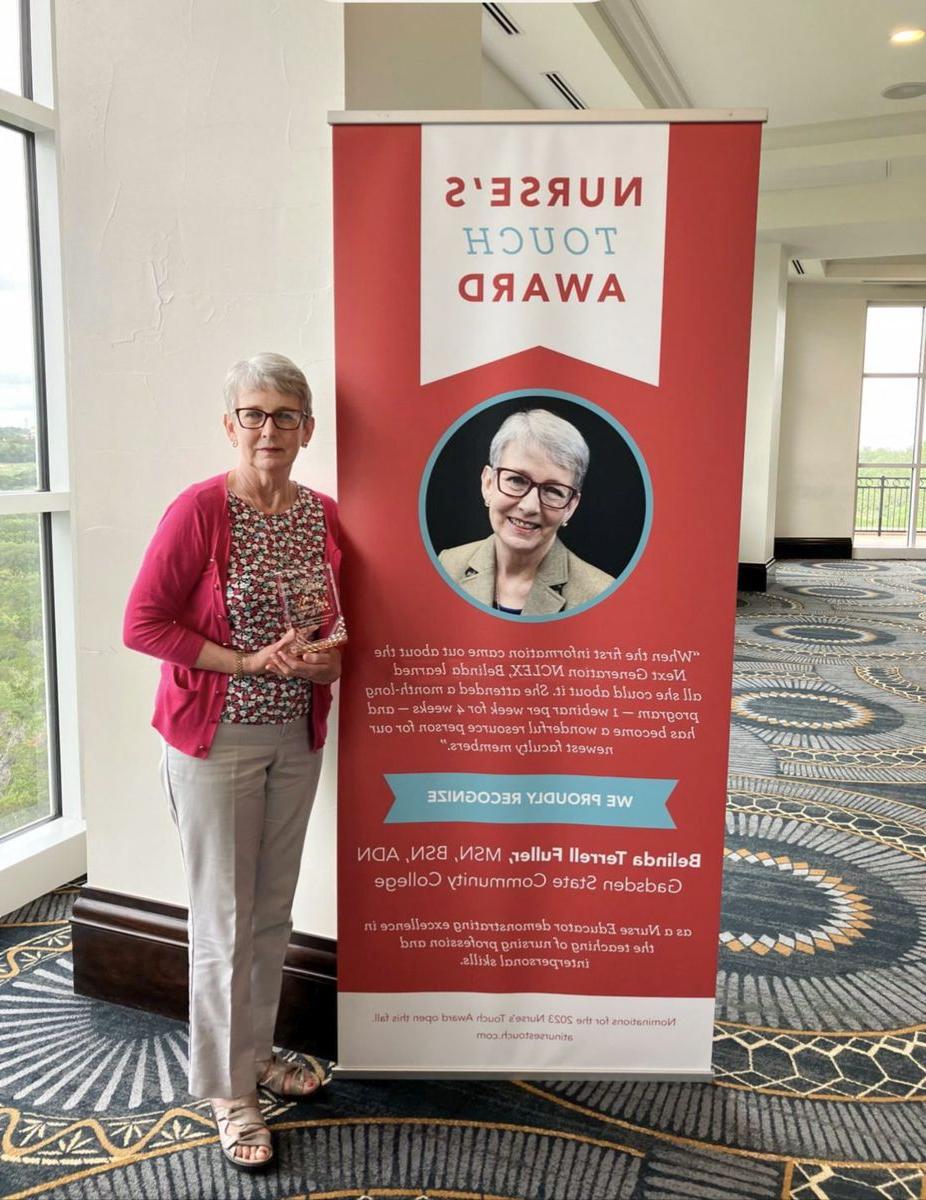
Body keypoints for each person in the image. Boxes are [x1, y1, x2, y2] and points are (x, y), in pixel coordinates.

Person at [123, 353, 341, 1171]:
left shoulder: (322, 515)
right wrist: (244, 665)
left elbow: (344, 620)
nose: (270, 430)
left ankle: (254, 1058)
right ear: (230, 425)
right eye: (254, 414)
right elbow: (143, 625)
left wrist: (333, 659)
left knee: (271, 913)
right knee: (223, 920)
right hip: (214, 744)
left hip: (296, 737)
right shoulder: (199, 511)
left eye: (286, 415)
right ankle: (228, 1090)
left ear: (308, 429)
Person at [438, 409, 614, 616]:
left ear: (570, 506)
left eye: (552, 491)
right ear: (488, 484)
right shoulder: (447, 565)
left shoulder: (601, 594)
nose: (530, 506)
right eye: (516, 480)